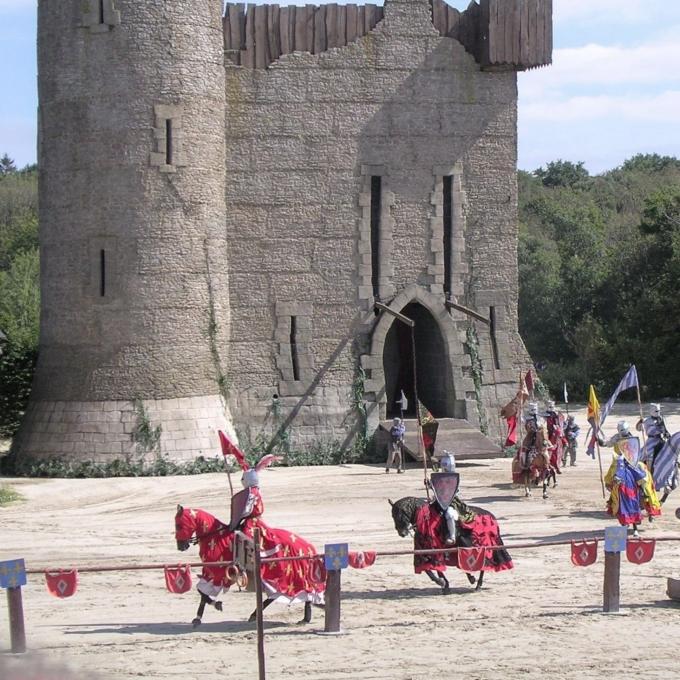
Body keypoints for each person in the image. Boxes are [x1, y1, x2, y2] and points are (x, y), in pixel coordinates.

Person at [599, 420, 660, 535]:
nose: (622, 432)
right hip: (618, 463)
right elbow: (608, 444)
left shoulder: (632, 438)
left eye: (623, 430)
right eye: (620, 431)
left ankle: (645, 495)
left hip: (632, 462)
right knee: (609, 479)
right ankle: (614, 498)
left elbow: (635, 452)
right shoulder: (616, 437)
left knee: (643, 477)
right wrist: (600, 441)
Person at [636, 403, 670, 471]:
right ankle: (649, 471)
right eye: (656, 411)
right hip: (651, 441)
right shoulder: (647, 421)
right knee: (647, 455)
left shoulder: (662, 419)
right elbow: (639, 429)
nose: (658, 412)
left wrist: (667, 434)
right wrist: (640, 422)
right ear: (651, 411)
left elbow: (666, 429)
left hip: (661, 440)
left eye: (659, 411)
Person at [544, 399, 566, 475]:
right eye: (549, 406)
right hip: (546, 433)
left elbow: (562, 424)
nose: (551, 407)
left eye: (552, 406)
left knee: (565, 443)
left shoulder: (557, 415)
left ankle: (562, 458)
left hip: (556, 434)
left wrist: (560, 428)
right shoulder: (543, 415)